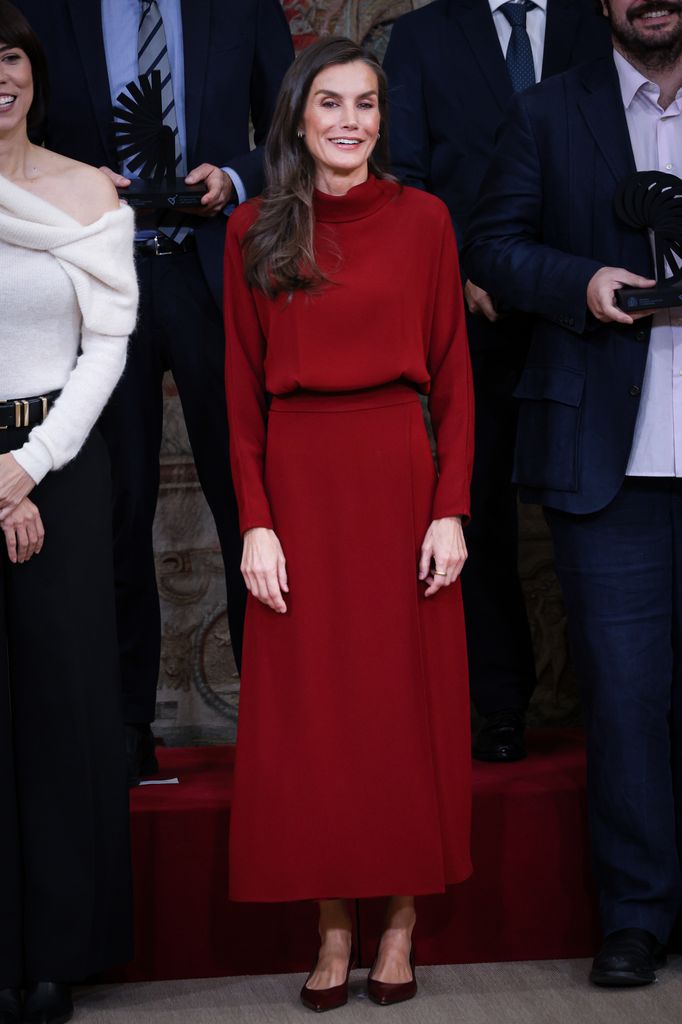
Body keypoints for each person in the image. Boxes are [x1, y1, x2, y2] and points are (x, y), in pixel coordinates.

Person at [224, 36, 474, 1012]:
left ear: (381, 115)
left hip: (397, 479)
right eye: (328, 103)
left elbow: (454, 379)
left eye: (363, 104)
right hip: (298, 483)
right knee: (318, 718)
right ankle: (333, 927)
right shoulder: (253, 226)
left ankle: (400, 924)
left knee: (399, 708)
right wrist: (256, 523)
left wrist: (449, 507)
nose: (347, 122)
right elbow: (239, 395)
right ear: (296, 115)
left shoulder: (425, 221)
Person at [14, 0, 295, 785]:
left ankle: (273, 723)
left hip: (216, 278)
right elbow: (17, 137)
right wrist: (75, 182)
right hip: (99, 284)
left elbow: (297, 126)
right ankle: (125, 726)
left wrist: (236, 176)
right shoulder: (43, 12)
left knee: (253, 504)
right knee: (114, 506)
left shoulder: (243, 9)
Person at [463, 0, 682, 989]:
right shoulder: (549, 112)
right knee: (625, 702)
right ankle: (636, 915)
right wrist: (581, 281)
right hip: (608, 459)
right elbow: (493, 246)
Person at [383, 0, 611, 762]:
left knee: (601, 504)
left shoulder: (600, 19)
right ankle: (500, 705)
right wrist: (461, 274)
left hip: (588, 316)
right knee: (474, 511)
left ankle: (609, 696)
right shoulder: (420, 35)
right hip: (471, 315)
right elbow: (406, 177)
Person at [0, 2, 138, 1021]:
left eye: (7, 58)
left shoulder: (89, 190)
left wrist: (28, 466)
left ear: (34, 73)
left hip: (64, 461)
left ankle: (54, 947)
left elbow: (109, 344)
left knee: (60, 704)